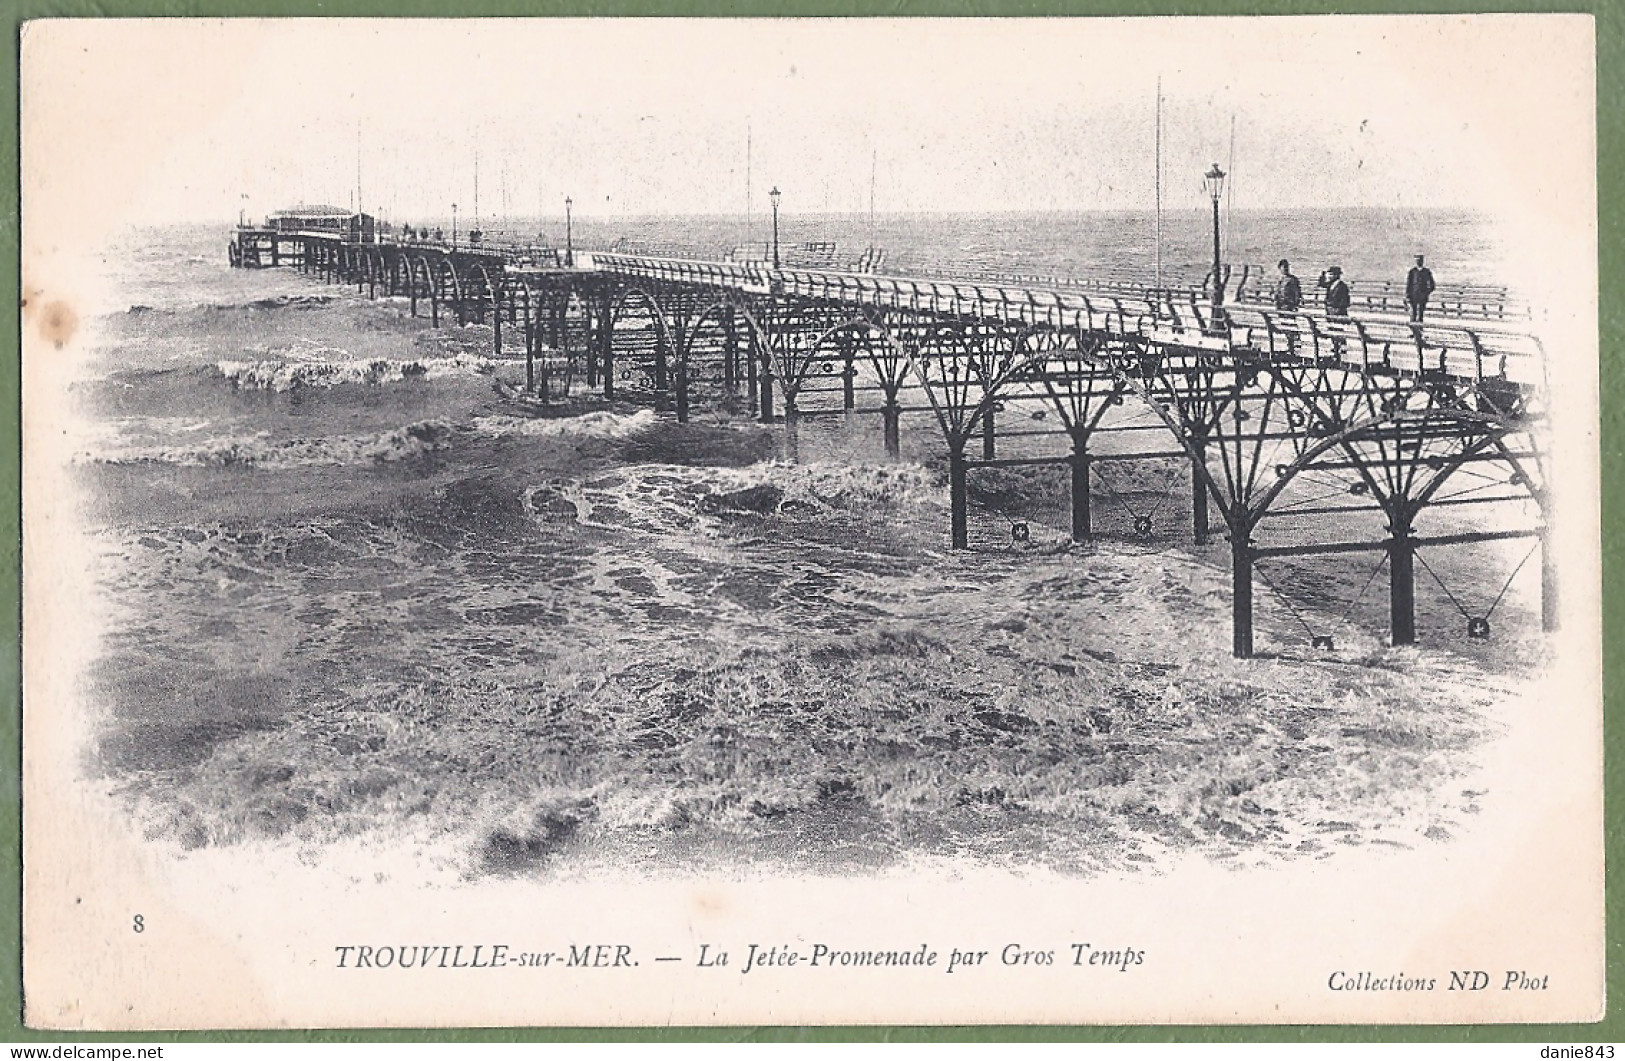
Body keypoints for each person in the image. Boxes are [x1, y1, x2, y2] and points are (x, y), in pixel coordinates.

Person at [1406, 254, 1436, 323]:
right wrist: (1408, 295)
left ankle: (1420, 329)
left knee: (1420, 314)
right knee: (1413, 314)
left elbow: (1432, 285)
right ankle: (1413, 330)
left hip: (1422, 296)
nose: (1418, 262)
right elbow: (1409, 284)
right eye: (1417, 260)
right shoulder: (1412, 272)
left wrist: (1426, 293)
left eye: (1420, 260)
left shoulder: (1426, 272)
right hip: (1413, 296)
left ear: (1423, 261)